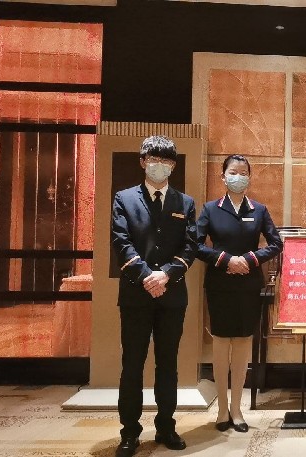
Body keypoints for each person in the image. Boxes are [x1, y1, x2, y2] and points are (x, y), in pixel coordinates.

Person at [110, 135, 197, 457]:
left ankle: (166, 426)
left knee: (168, 364)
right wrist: (147, 276)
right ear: (143, 162)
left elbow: (190, 246)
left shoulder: (184, 203)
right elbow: (121, 242)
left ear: (173, 165)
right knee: (132, 364)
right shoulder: (124, 198)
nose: (159, 166)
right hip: (136, 294)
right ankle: (129, 432)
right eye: (153, 160)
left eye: (165, 161)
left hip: (172, 296)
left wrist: (167, 275)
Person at [196, 154, 283, 433]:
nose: (238, 177)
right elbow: (195, 244)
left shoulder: (259, 210)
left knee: (244, 343)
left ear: (249, 178)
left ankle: (237, 410)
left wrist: (250, 259)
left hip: (248, 285)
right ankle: (222, 409)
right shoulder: (211, 209)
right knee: (221, 344)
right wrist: (225, 260)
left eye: (244, 173)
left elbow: (276, 243)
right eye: (233, 172)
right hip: (220, 285)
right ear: (223, 177)